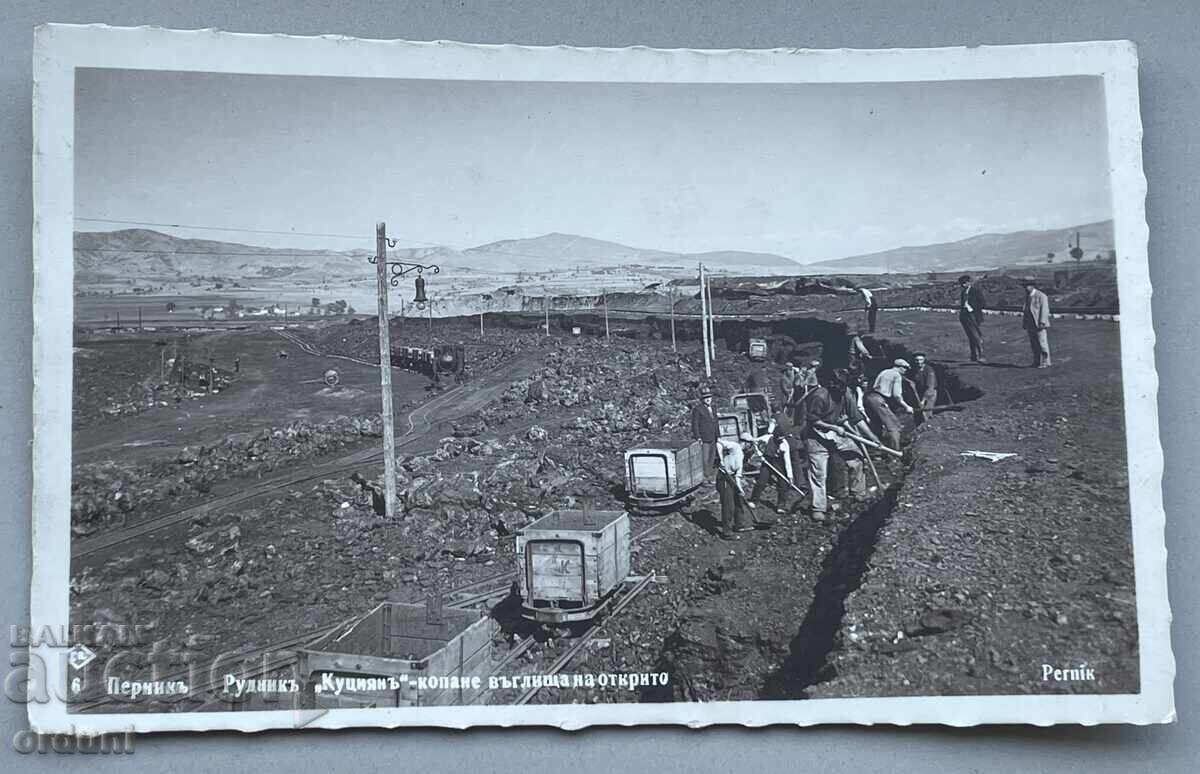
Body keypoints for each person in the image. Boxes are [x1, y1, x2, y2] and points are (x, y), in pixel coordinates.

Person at [795, 369, 879, 521]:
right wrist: (834, 427)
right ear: (831, 384)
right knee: (819, 473)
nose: (841, 388)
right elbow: (813, 420)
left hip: (835, 434)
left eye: (843, 385)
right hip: (815, 437)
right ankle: (818, 508)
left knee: (856, 458)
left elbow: (856, 418)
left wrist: (873, 437)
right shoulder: (820, 396)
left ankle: (858, 492)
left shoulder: (845, 392)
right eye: (838, 385)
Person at [715, 435, 773, 540]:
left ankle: (739, 525)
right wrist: (721, 460)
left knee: (739, 500)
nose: (750, 446)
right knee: (728, 506)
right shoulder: (735, 446)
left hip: (732, 476)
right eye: (750, 444)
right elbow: (718, 443)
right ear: (745, 442)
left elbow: (738, 474)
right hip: (724, 477)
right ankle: (727, 532)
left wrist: (740, 489)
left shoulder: (742, 455)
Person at [749, 412, 798, 514]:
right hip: (767, 462)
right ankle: (754, 500)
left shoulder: (784, 445)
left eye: (782, 437)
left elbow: (787, 462)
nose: (781, 439)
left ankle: (781, 505)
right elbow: (755, 442)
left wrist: (790, 476)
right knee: (761, 481)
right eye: (779, 437)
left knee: (783, 484)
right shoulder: (768, 438)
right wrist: (759, 453)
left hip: (779, 464)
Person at [865, 358, 913, 452]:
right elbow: (897, 395)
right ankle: (894, 453)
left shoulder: (884, 372)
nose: (906, 371)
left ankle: (874, 451)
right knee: (895, 426)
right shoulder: (897, 375)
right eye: (905, 368)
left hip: (869, 398)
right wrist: (907, 406)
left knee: (876, 425)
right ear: (900, 367)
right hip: (878, 400)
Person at [1021, 276, 1052, 368]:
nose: (1025, 288)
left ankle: (1045, 362)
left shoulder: (1041, 296)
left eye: (1027, 286)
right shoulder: (1028, 296)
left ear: (1032, 286)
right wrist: (1024, 323)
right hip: (1030, 324)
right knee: (1034, 344)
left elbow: (1045, 310)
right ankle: (1036, 361)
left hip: (1039, 324)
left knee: (1042, 343)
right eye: (1024, 286)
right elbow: (1026, 310)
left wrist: (1042, 322)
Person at [689, 388, 720, 479]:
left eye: (709, 397)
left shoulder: (713, 408)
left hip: (713, 436)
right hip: (704, 438)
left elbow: (716, 422)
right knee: (704, 459)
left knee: (712, 457)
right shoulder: (698, 409)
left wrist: (718, 435)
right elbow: (695, 424)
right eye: (706, 398)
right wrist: (698, 437)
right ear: (702, 399)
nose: (708, 399)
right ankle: (705, 476)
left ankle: (709, 474)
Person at [957, 274, 987, 362]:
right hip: (964, 317)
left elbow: (983, 303)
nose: (962, 285)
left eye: (964, 283)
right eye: (961, 284)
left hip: (973, 316)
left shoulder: (976, 291)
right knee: (970, 336)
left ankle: (981, 355)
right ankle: (973, 356)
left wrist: (971, 307)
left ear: (968, 283)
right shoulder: (963, 293)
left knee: (976, 336)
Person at [910, 352, 938, 424]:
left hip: (929, 393)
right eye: (917, 360)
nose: (919, 362)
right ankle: (919, 429)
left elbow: (930, 387)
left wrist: (923, 400)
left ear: (924, 360)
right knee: (918, 413)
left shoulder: (929, 370)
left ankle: (928, 427)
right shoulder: (914, 369)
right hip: (919, 393)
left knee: (926, 411)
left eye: (921, 360)